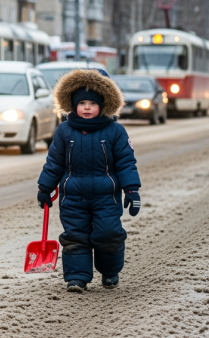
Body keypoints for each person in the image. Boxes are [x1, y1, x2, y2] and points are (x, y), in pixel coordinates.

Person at [36, 69, 141, 292]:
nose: (86, 107)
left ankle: (110, 271)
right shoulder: (64, 131)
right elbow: (54, 162)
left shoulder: (115, 131)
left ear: (103, 105)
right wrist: (45, 187)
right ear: (73, 104)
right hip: (73, 197)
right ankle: (77, 277)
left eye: (92, 103)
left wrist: (132, 190)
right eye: (81, 102)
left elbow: (126, 162)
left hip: (106, 197)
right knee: (75, 236)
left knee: (108, 234)